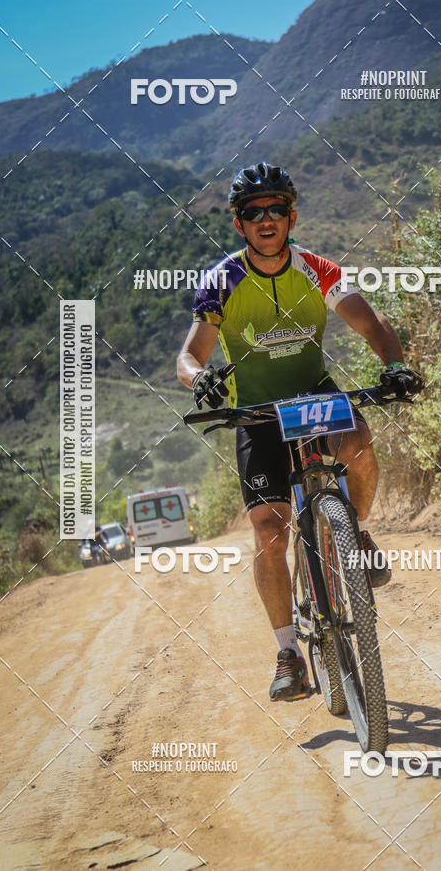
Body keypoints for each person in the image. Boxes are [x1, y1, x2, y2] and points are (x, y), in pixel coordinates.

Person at [177, 161, 422, 702]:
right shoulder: (222, 280)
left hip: (313, 395)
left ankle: (353, 533)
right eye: (253, 212)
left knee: (357, 442)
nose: (265, 219)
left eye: (276, 209)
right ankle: (288, 653)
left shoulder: (318, 270)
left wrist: (396, 365)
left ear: (292, 217)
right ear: (240, 224)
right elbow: (188, 357)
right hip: (257, 412)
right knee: (269, 528)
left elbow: (373, 326)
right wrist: (201, 379)